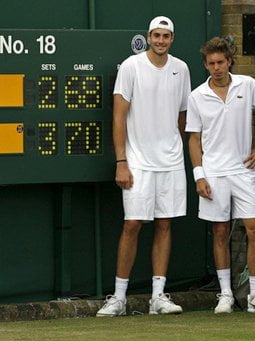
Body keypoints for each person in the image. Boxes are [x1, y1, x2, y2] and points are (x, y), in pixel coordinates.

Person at [96, 16, 190, 316]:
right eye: (156, 35)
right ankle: (119, 298)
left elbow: (182, 116)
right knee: (133, 224)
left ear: (172, 39)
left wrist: (178, 150)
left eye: (166, 36)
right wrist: (121, 161)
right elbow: (118, 116)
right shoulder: (131, 66)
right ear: (149, 37)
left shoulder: (182, 68)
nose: (161, 41)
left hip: (171, 161)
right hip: (137, 162)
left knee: (164, 224)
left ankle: (158, 297)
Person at [186, 37, 255, 314]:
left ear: (229, 61)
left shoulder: (247, 85)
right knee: (220, 231)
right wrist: (199, 175)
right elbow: (193, 138)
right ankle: (225, 294)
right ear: (206, 65)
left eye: (220, 62)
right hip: (213, 173)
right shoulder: (197, 95)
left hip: (244, 171)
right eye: (211, 64)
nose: (216, 68)